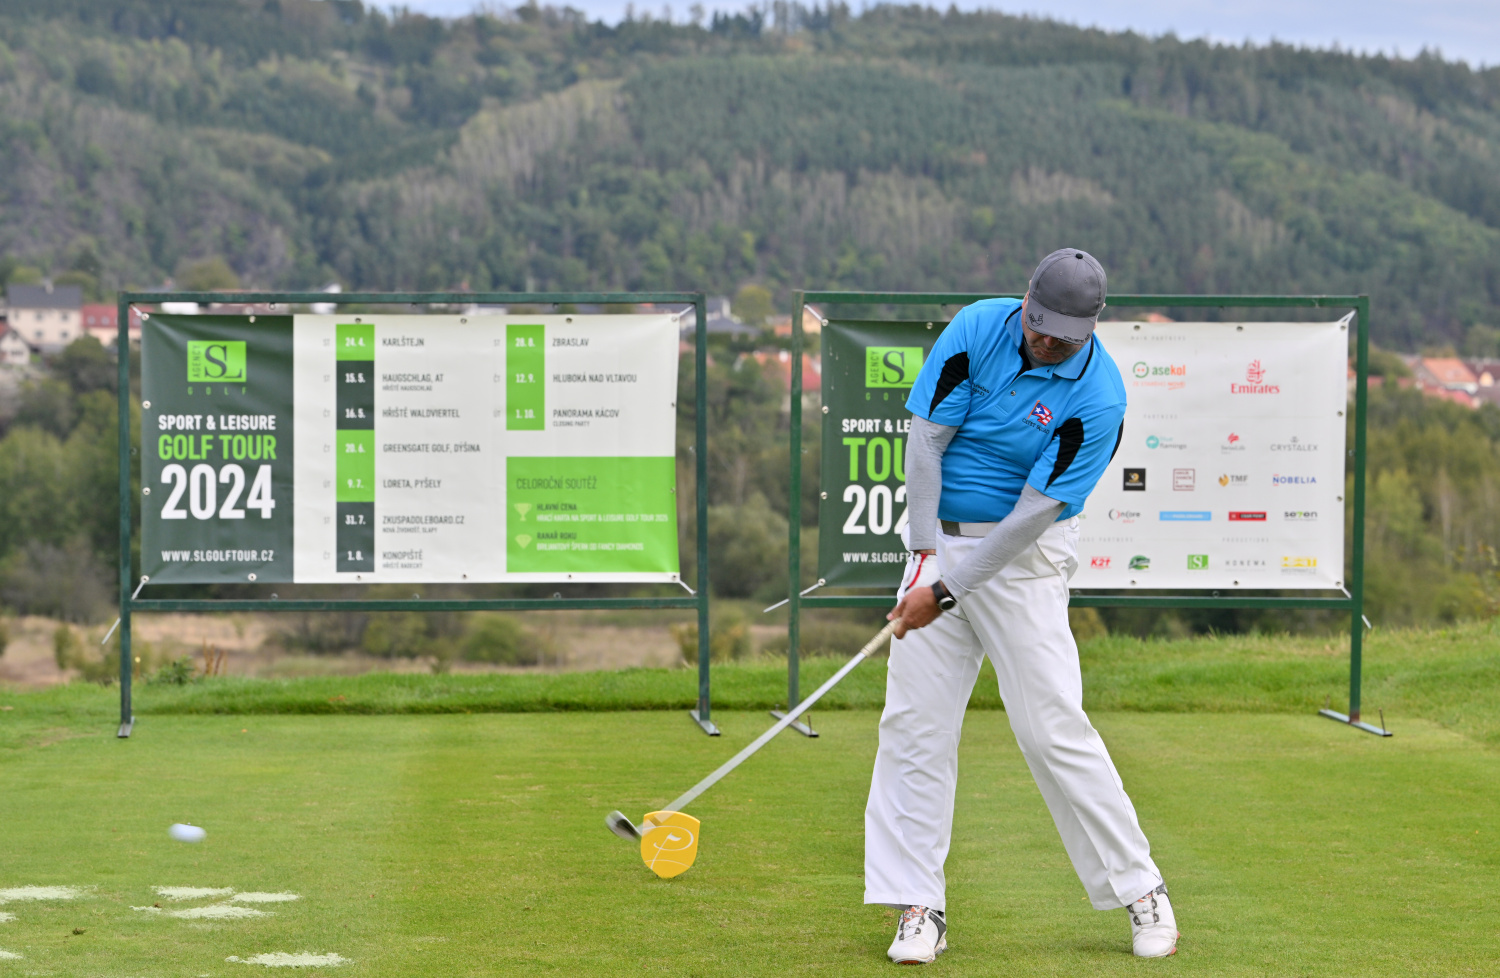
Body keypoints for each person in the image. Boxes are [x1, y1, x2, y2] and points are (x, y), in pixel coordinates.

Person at [865, 248, 1178, 964]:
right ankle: (919, 905)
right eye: (1039, 326)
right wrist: (924, 556)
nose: (1045, 342)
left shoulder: (1099, 399)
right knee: (914, 727)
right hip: (938, 543)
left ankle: (1142, 889)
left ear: (1090, 329)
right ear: (1026, 302)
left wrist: (947, 591)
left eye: (1063, 336)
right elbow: (927, 439)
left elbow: (1033, 515)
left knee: (1051, 729)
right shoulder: (978, 327)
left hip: (1025, 561)